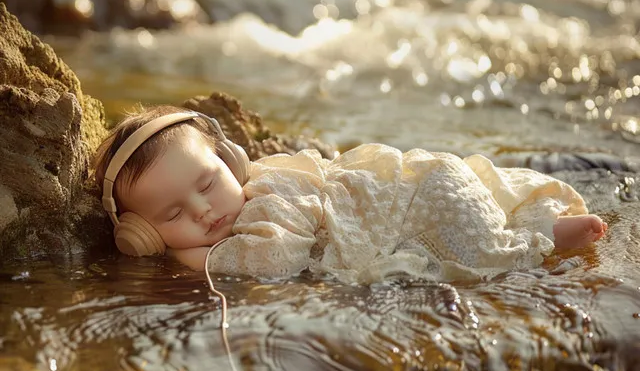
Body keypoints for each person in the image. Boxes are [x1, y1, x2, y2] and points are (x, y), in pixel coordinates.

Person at [92, 104, 607, 284]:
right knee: (474, 227)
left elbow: (275, 261)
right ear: (140, 234)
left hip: (425, 194)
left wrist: (191, 256)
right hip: (415, 196)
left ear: (231, 162)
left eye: (207, 184)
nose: (204, 211)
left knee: (478, 250)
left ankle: (544, 237)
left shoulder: (268, 197)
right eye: (175, 213)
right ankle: (538, 230)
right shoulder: (253, 197)